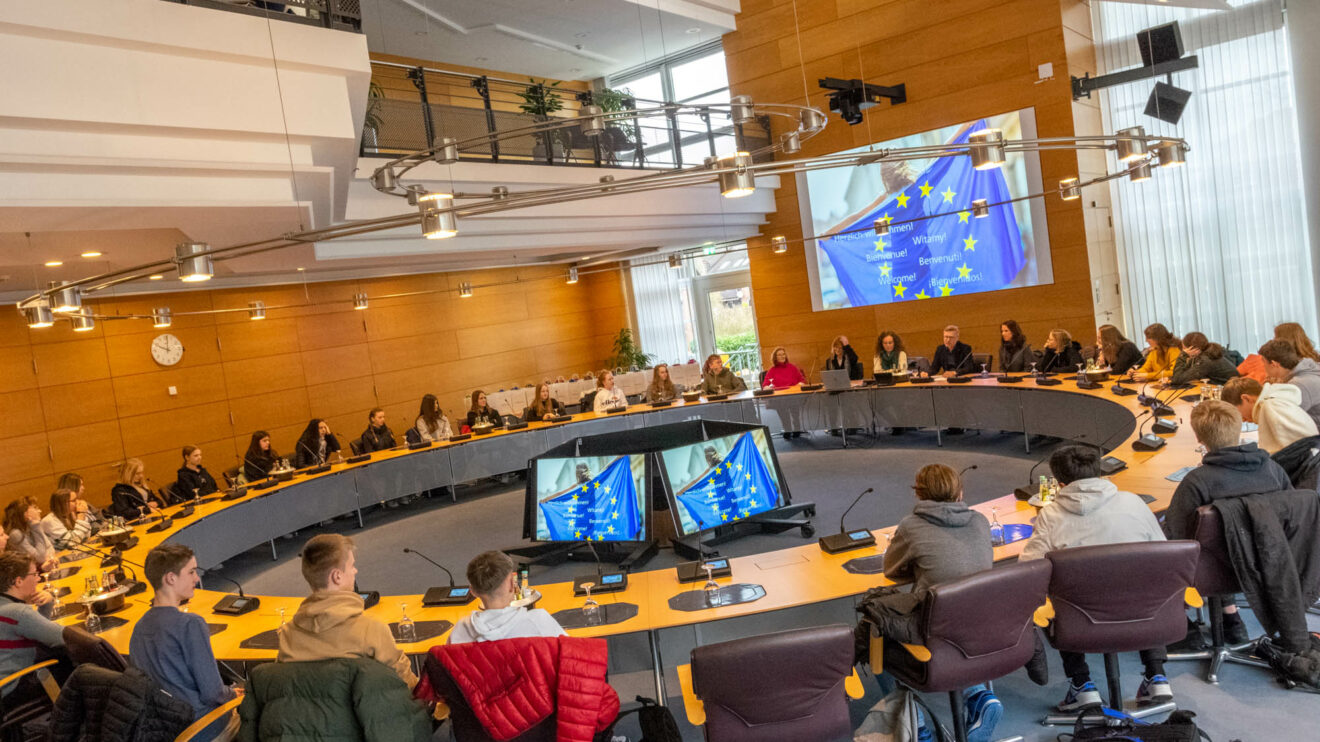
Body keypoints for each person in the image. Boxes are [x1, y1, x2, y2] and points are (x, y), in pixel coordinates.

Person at [1020, 446, 1172, 711]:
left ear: (1060, 483)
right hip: (1145, 615)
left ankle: (1082, 685)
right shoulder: (1133, 502)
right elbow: (1162, 554)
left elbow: (1029, 572)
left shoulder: (1050, 516)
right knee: (1143, 581)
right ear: (1100, 473)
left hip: (1082, 623)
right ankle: (1157, 675)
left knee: (1054, 597)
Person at [855, 464, 999, 741]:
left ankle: (915, 725)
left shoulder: (911, 526)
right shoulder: (980, 521)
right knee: (958, 624)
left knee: (876, 633)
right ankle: (979, 696)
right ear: (960, 492)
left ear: (918, 494)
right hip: (984, 627)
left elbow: (891, 570)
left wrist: (922, 565)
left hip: (934, 630)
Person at [277, 534, 416, 688]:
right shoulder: (371, 630)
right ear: (337, 576)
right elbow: (405, 683)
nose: (355, 571)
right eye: (351, 566)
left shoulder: (287, 635)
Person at [130, 544, 239, 740]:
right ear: (171, 578)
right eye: (191, 572)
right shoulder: (190, 624)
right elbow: (212, 694)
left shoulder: (138, 629)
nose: (197, 578)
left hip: (163, 730)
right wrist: (233, 694)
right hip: (201, 728)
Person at [1166, 400, 1292, 541]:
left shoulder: (1196, 482)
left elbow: (1174, 536)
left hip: (1215, 560)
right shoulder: (1273, 469)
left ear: (1198, 438)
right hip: (1276, 552)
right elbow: (1294, 514)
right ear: (1239, 429)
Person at [448, 551, 565, 644]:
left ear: (473, 591)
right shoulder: (538, 620)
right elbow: (569, 655)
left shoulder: (462, 629)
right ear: (512, 585)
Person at [0, 552, 65, 706]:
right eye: (34, 574)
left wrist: (46, 603)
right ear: (18, 581)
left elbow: (37, 632)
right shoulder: (18, 612)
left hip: (5, 687)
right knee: (83, 669)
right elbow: (61, 638)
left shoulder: (6, 607)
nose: (39, 578)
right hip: (12, 690)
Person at [1222, 377, 1318, 454]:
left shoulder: (1272, 406)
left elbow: (1301, 448)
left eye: (1237, 412)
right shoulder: (1271, 404)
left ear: (1246, 398)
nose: (1242, 419)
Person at [1258, 338, 1320, 428]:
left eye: (1263, 363)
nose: (1263, 367)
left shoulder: (1299, 384)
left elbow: (1284, 421)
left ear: (1274, 364)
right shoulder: (1310, 370)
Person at [4, 498, 56, 572]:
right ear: (25, 513)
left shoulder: (31, 527)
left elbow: (51, 549)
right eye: (35, 508)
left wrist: (49, 558)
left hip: (40, 571)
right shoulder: (16, 534)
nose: (40, 511)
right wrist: (36, 528)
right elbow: (40, 557)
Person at [1169, 332, 1239, 385]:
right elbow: (1184, 373)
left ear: (1193, 349)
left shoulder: (1206, 360)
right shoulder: (1204, 354)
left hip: (1230, 390)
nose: (1183, 351)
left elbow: (1177, 380)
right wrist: (1170, 378)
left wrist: (1183, 356)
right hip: (1221, 387)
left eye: (1184, 349)